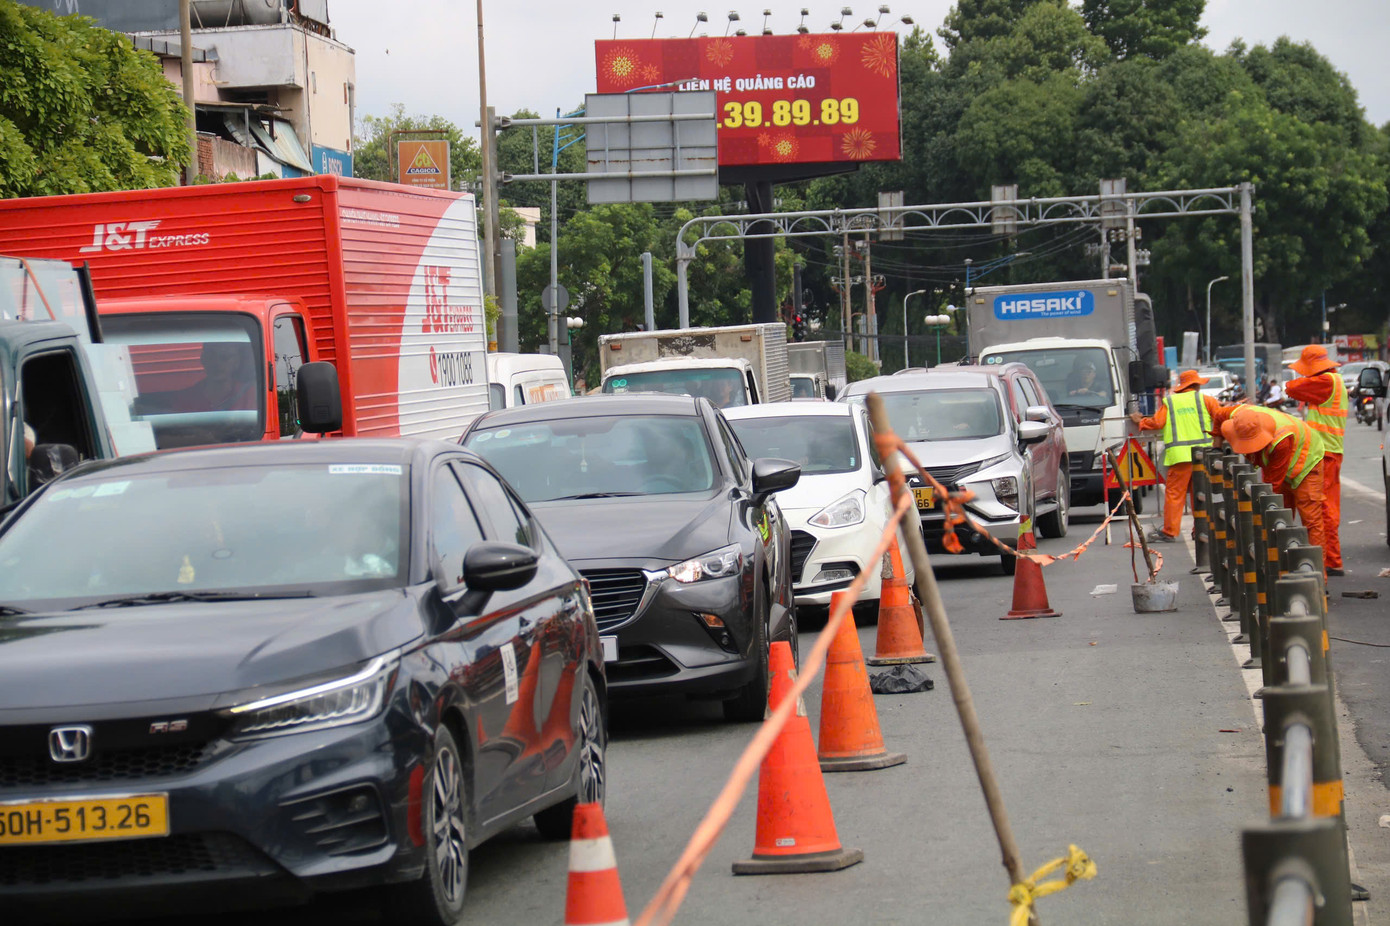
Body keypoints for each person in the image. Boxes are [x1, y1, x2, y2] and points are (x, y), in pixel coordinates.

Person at [1217, 406, 1326, 575]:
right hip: (1281, 466)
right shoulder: (1238, 415)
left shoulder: (1281, 440)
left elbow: (1271, 486)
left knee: (1310, 520)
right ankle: (1282, 569)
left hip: (1306, 465)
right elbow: (1219, 415)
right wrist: (1216, 443)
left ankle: (1317, 578)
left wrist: (1258, 510)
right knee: (1280, 519)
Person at [1130, 369, 1222, 543]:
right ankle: (1201, 530)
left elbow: (1157, 422)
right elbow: (1221, 418)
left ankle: (1170, 531)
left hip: (1180, 457)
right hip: (1203, 455)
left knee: (1175, 495)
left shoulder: (1170, 402)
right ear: (1196, 385)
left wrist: (1140, 421)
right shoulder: (1207, 401)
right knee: (1200, 493)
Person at [1284, 345, 1347, 575]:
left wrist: (1306, 377)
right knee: (1327, 507)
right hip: (1331, 452)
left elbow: (1291, 387)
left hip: (1325, 453)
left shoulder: (1325, 382)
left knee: (1323, 508)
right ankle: (1332, 559)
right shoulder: (1334, 381)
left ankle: (1331, 561)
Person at [177, 341, 258, 412]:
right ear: (203, 359)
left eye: (225, 357)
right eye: (211, 356)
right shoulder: (186, 398)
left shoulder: (251, 395)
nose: (217, 363)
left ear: (236, 362)